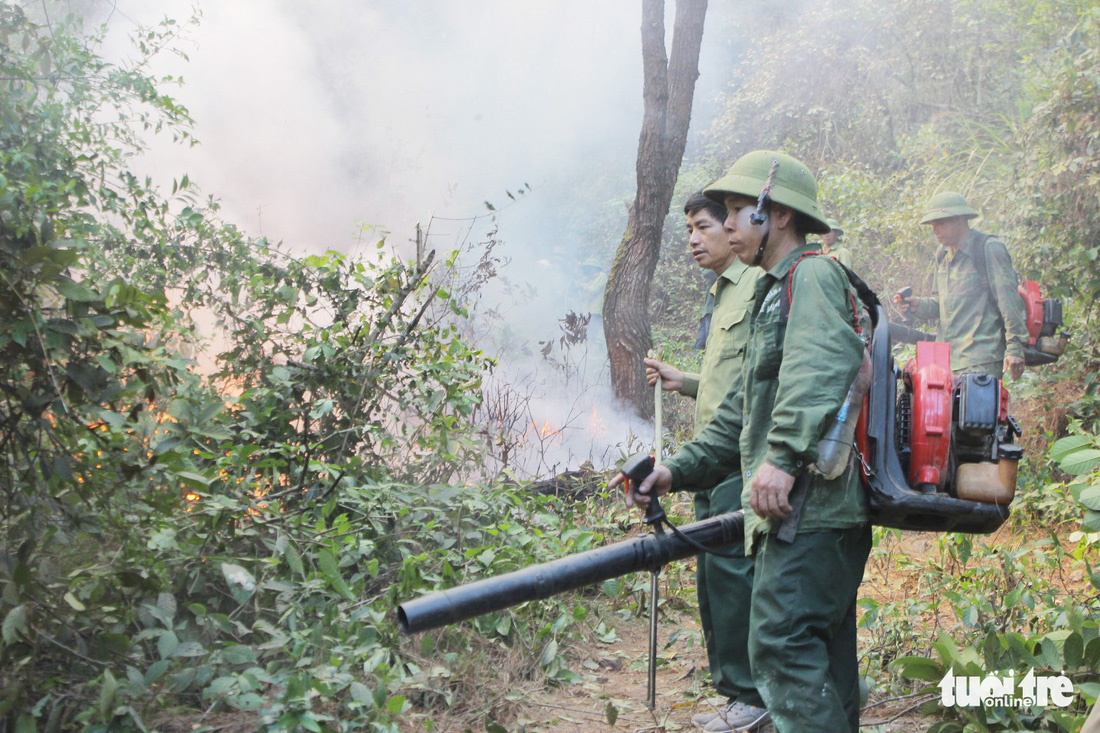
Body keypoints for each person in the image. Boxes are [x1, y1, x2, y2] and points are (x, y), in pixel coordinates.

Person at [612, 150, 870, 732]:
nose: (726, 226)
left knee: (778, 644)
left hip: (813, 509)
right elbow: (738, 415)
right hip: (802, 512)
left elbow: (818, 371)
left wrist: (779, 460)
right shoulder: (769, 293)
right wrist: (675, 472)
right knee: (822, 659)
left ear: (776, 215)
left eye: (733, 212)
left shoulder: (814, 275)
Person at [644, 193, 764, 730]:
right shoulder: (721, 294)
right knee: (716, 577)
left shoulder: (760, 289)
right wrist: (684, 382)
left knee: (736, 577)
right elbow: (727, 387)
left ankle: (752, 696)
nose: (693, 239)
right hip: (711, 459)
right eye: (688, 230)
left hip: (740, 459)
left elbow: (757, 395)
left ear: (733, 228)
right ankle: (739, 689)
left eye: (703, 227)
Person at [894, 192, 1028, 379]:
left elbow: (1009, 302)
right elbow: (943, 304)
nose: (935, 231)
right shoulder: (942, 255)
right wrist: (918, 305)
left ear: (959, 219)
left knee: (976, 408)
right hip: (944, 361)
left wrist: (1015, 347)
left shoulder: (988, 248)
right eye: (932, 226)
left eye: (939, 223)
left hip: (980, 360)